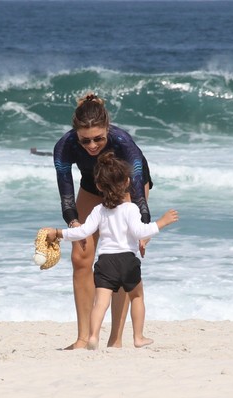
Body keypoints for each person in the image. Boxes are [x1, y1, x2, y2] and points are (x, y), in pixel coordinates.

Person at [44, 152, 178, 349]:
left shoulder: (98, 210)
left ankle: (93, 336)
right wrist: (162, 222)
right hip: (127, 261)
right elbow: (141, 231)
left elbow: (82, 231)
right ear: (127, 182)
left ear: (99, 186)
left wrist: (58, 232)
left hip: (105, 262)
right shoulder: (131, 208)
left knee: (101, 303)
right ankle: (138, 337)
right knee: (137, 297)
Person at [53, 93, 154, 350]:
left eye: (99, 138)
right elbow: (66, 195)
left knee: (120, 253)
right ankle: (83, 338)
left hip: (127, 184)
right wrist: (74, 223)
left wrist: (143, 227)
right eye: (85, 140)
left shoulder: (123, 143)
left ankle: (116, 339)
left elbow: (139, 193)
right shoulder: (65, 146)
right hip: (91, 185)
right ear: (76, 134)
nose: (92, 146)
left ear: (107, 129)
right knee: (80, 257)